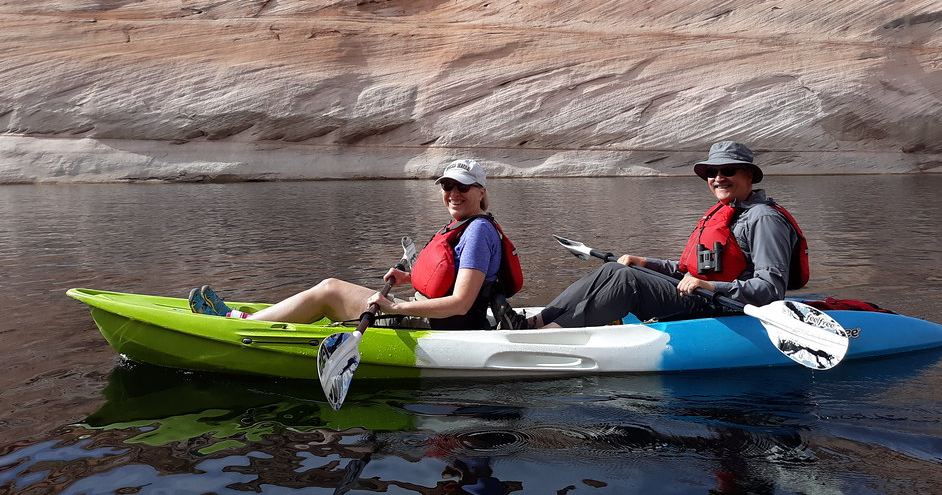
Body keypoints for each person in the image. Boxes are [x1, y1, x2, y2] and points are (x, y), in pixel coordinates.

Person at [189, 159, 521, 331]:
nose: (453, 193)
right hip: (434, 315)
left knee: (330, 290)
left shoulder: (477, 231)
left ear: (481, 191)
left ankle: (244, 325)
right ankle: (254, 317)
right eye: (447, 186)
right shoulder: (466, 225)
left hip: (439, 326)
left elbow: (461, 303)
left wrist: (397, 307)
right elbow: (456, 279)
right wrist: (409, 280)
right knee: (331, 292)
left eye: (463, 186)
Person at [522, 141, 809, 329]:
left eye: (728, 170)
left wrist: (711, 288)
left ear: (749, 176)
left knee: (626, 280)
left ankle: (553, 334)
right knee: (615, 267)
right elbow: (692, 270)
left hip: (729, 308)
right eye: (712, 172)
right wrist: (648, 262)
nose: (718, 177)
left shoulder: (764, 219)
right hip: (702, 296)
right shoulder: (728, 213)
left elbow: (771, 289)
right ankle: (537, 322)